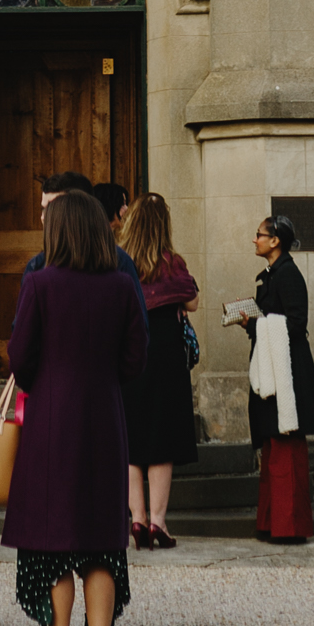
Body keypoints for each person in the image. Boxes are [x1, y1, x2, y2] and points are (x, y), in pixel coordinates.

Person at [3, 188, 148, 626]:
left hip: (50, 424)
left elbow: (20, 358)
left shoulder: (39, 284)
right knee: (101, 546)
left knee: (51, 545)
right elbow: (136, 359)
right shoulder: (122, 287)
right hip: (105, 420)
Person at [228, 212, 314, 542]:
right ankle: (272, 523)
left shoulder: (288, 274)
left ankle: (289, 527)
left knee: (285, 447)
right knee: (272, 447)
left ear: (275, 240)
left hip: (287, 374)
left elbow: (295, 322)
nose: (255, 239)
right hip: (273, 370)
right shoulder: (271, 274)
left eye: (259, 234)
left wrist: (253, 324)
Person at [120, 193, 198, 550]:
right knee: (162, 440)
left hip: (129, 350)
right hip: (166, 351)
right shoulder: (173, 262)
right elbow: (192, 300)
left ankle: (136, 520)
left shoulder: (119, 262)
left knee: (132, 440)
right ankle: (158, 523)